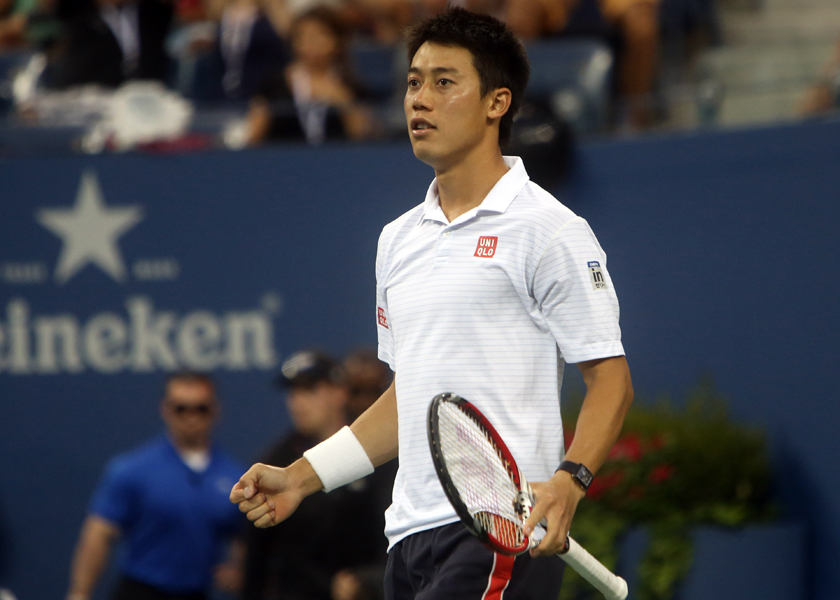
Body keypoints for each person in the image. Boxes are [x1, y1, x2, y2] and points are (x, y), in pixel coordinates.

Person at [232, 8, 633, 600]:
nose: (419, 99)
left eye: (444, 82)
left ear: (497, 103)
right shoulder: (396, 240)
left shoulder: (550, 230)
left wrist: (570, 480)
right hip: (409, 538)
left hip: (500, 530)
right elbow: (410, 399)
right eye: (414, 81)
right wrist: (299, 477)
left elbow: (611, 381)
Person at [66, 373, 245, 600]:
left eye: (200, 408)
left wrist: (241, 573)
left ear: (215, 410)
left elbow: (243, 536)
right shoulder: (133, 470)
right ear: (166, 410)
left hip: (196, 593)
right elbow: (99, 533)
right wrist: (80, 592)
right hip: (142, 591)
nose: (191, 417)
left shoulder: (233, 476)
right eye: (181, 408)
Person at [241, 350, 393, 600]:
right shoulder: (275, 465)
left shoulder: (376, 451)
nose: (297, 402)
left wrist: (368, 579)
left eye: (310, 390)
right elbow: (257, 558)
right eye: (293, 392)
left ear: (340, 391)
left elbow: (392, 534)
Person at [244, 6, 373, 145]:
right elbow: (253, 137)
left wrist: (342, 100)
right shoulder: (273, 84)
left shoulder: (352, 84)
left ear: (338, 41)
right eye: (302, 36)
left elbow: (363, 136)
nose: (310, 43)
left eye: (318, 35)